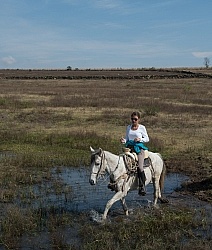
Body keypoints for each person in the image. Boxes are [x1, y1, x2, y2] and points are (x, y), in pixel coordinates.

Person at [120, 111, 149, 196]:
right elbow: (127, 139)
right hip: (129, 148)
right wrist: (123, 141)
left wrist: (140, 139)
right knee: (121, 162)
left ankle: (142, 186)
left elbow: (147, 138)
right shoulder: (128, 127)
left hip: (139, 148)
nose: (133, 121)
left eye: (135, 119)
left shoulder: (142, 128)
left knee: (140, 167)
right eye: (132, 119)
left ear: (139, 119)